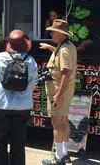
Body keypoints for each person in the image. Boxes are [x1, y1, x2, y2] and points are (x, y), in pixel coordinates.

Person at [0, 29, 38, 165]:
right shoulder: (31, 61)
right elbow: (33, 86)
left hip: (0, 105)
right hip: (22, 107)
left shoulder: (0, 57)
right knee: (18, 144)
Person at [40, 19, 77, 165]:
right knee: (64, 120)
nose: (50, 34)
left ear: (60, 34)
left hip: (58, 90)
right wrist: (50, 47)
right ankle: (65, 153)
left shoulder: (64, 50)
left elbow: (65, 73)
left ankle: (58, 157)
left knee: (57, 122)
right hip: (64, 90)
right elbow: (60, 55)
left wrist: (59, 95)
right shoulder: (66, 46)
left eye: (53, 32)